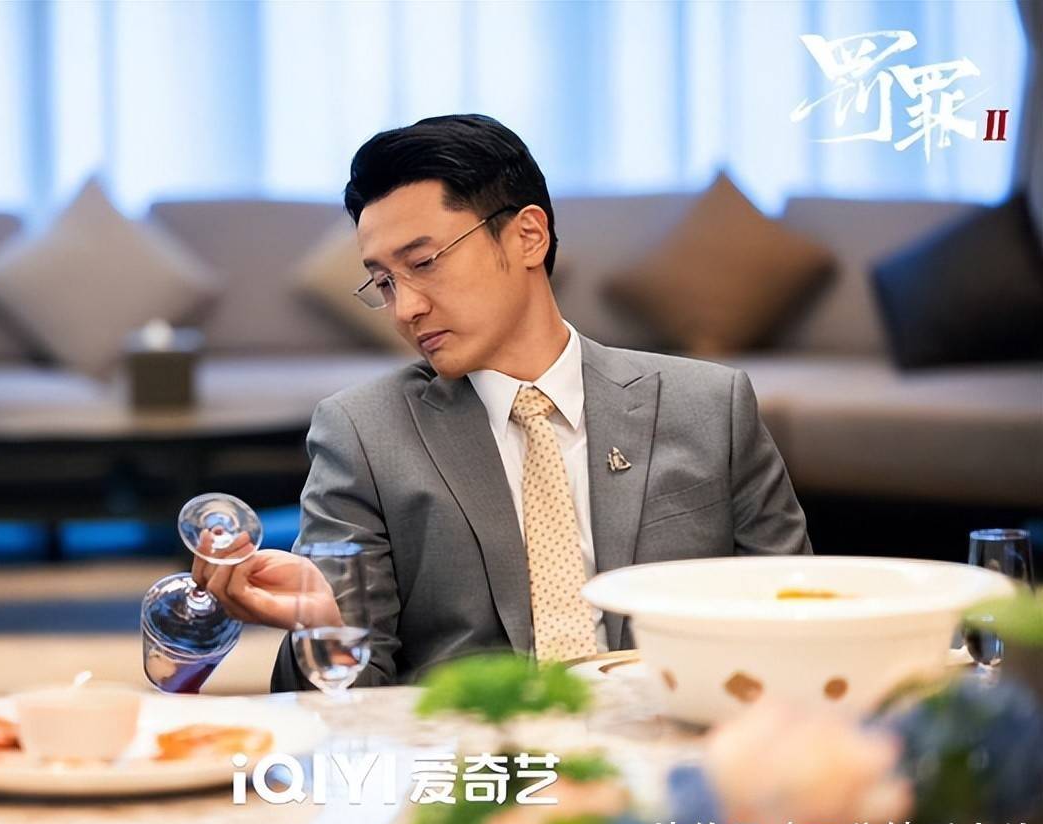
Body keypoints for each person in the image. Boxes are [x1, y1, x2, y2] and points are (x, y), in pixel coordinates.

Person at [192, 114, 812, 691]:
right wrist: (325, 628)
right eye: (383, 282)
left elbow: (800, 626)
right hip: (478, 754)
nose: (405, 309)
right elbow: (343, 712)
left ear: (527, 237)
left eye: (423, 262)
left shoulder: (710, 407)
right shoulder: (363, 434)